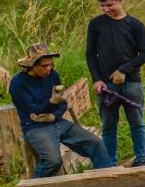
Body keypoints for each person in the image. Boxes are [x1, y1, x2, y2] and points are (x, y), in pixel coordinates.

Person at [7, 43, 117, 178]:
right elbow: (33, 112)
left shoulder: (53, 75)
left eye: (51, 64)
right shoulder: (18, 83)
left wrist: (54, 115)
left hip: (57, 121)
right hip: (35, 127)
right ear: (32, 65)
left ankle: (104, 182)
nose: (49, 69)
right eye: (44, 66)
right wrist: (51, 103)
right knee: (53, 161)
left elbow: (63, 103)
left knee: (97, 144)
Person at [85, 0, 145, 166]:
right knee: (108, 126)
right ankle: (110, 164)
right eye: (102, 6)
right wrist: (96, 79)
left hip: (131, 83)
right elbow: (90, 54)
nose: (106, 9)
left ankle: (141, 159)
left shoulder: (135, 24)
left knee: (137, 122)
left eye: (110, 5)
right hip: (106, 86)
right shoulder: (96, 24)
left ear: (119, 0)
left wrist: (124, 69)